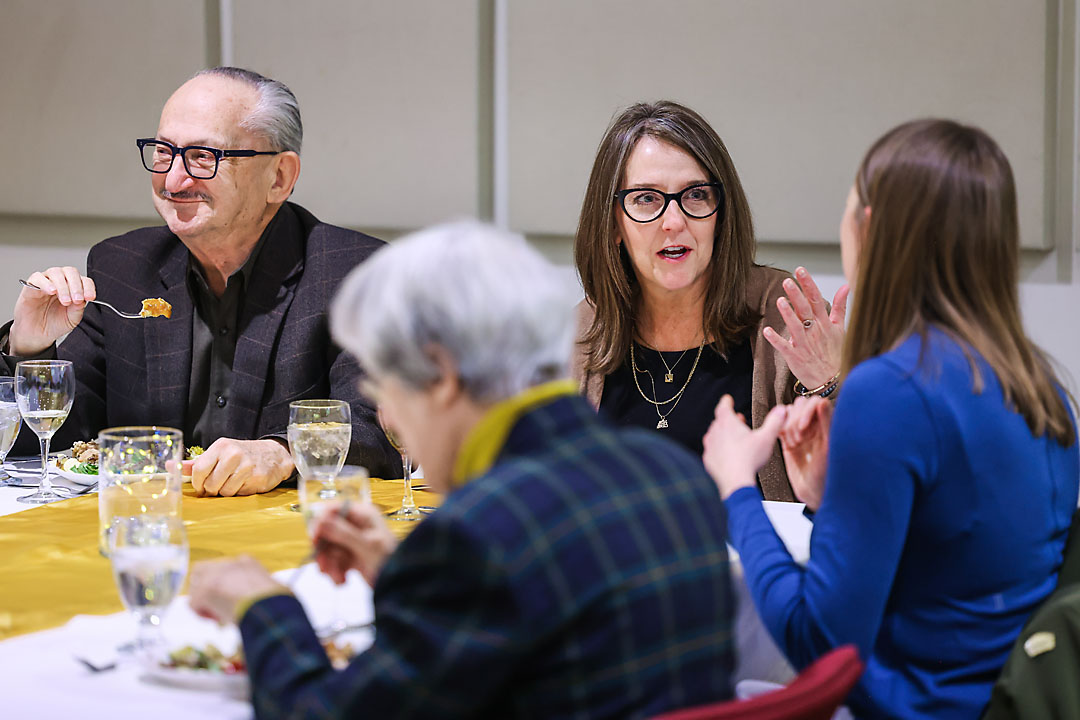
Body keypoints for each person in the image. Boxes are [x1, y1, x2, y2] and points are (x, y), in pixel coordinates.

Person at [189, 222, 737, 719]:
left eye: (385, 389)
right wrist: (404, 575)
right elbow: (553, 628)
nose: (389, 418)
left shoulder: (475, 538)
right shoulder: (675, 473)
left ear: (441, 375)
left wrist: (260, 606)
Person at [703, 119, 1079, 718]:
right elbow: (952, 568)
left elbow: (818, 643)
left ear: (870, 228)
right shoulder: (1044, 389)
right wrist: (830, 498)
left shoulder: (890, 393)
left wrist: (737, 488)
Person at [0, 67, 398, 494]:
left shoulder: (354, 274)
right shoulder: (123, 268)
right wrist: (29, 349)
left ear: (279, 177)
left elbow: (384, 428)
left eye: (203, 156)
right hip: (146, 520)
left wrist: (281, 452)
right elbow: (44, 442)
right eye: (163, 152)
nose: (173, 180)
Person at [571, 101, 847, 501]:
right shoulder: (580, 336)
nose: (674, 221)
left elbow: (864, 485)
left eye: (696, 195)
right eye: (646, 198)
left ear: (721, 215)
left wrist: (831, 386)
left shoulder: (784, 314)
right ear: (614, 223)